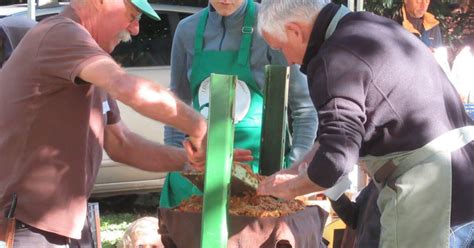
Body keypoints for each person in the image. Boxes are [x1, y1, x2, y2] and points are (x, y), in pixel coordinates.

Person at [0, 0, 251, 246]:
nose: (135, 29)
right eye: (132, 15)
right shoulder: (61, 34)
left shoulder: (89, 61)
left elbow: (123, 144)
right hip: (26, 226)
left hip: (59, 226)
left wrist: (195, 163)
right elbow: (128, 87)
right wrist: (200, 127)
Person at [256, 0, 474, 247]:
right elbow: (340, 133)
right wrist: (296, 169)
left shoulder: (333, 60)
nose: (288, 60)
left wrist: (290, 190)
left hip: (431, 186)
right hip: (463, 173)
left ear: (296, 31)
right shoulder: (370, 26)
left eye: (281, 47)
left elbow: (334, 160)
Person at [160, 0, 318, 208]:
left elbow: (305, 109)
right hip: (200, 174)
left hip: (261, 176)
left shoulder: (271, 26)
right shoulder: (186, 30)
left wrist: (294, 170)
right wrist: (178, 165)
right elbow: (176, 105)